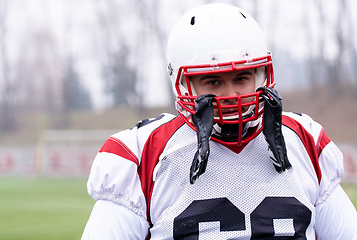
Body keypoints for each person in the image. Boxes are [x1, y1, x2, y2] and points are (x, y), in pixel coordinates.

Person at [81, 3, 357, 239]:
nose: (231, 94)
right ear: (184, 84)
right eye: (213, 81)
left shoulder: (304, 140)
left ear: (261, 75)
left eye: (241, 78)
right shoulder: (146, 152)